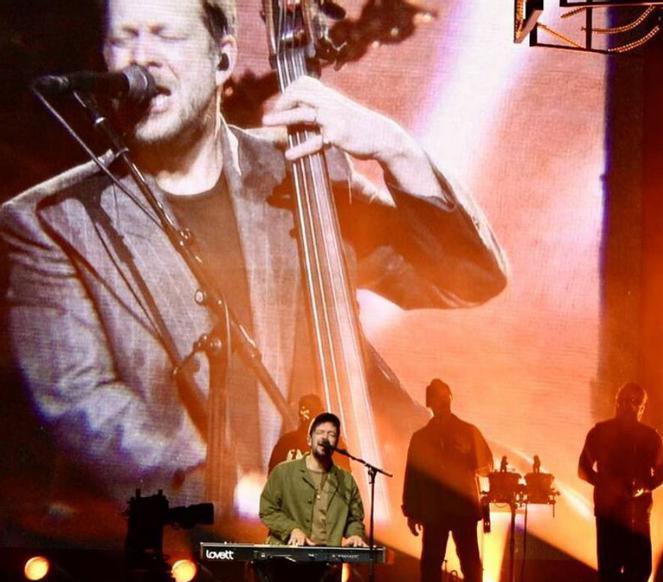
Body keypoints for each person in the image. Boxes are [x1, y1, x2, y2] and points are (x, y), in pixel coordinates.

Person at [0, 0, 507, 511]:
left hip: (352, 522)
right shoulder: (50, 223)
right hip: (185, 549)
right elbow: (85, 402)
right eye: (124, 38)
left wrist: (393, 147)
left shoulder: (306, 171)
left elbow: (468, 280)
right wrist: (235, 492)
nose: (141, 59)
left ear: (222, 59)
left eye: (165, 36)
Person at [259, 411, 367, 582]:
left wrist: (354, 535)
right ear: (309, 438)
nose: (325, 438)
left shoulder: (346, 480)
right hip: (290, 570)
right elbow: (267, 509)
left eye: (331, 434)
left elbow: (354, 518)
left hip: (326, 572)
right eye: (320, 432)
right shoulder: (283, 473)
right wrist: (291, 530)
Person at [577, 382, 663, 582]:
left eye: (635, 401)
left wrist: (645, 486)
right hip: (608, 511)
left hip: (639, 514)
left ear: (642, 406)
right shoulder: (599, 432)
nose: (629, 405)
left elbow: (662, 472)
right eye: (625, 399)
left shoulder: (651, 437)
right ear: (616, 400)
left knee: (639, 569)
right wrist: (606, 485)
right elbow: (583, 469)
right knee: (609, 569)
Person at [402, 379, 493, 582]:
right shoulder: (424, 437)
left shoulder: (465, 431)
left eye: (442, 397)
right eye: (437, 398)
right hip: (439, 510)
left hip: (457, 508)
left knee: (468, 565)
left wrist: (464, 458)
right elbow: (414, 474)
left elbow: (486, 463)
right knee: (436, 564)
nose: (440, 402)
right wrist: (410, 509)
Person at [268, 394, 323, 472]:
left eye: (309, 409)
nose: (304, 413)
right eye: (303, 409)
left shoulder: (285, 442)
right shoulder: (285, 442)